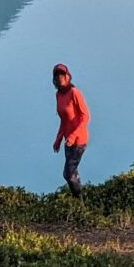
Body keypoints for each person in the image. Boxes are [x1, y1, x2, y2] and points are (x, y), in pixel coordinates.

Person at [51, 62, 89, 195]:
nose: (60, 77)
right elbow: (64, 120)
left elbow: (86, 117)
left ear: (68, 76)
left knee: (68, 173)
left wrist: (74, 136)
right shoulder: (59, 95)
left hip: (79, 141)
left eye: (62, 74)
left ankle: (79, 200)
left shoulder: (75, 93)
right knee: (73, 173)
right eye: (57, 75)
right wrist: (58, 139)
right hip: (68, 141)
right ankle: (80, 203)